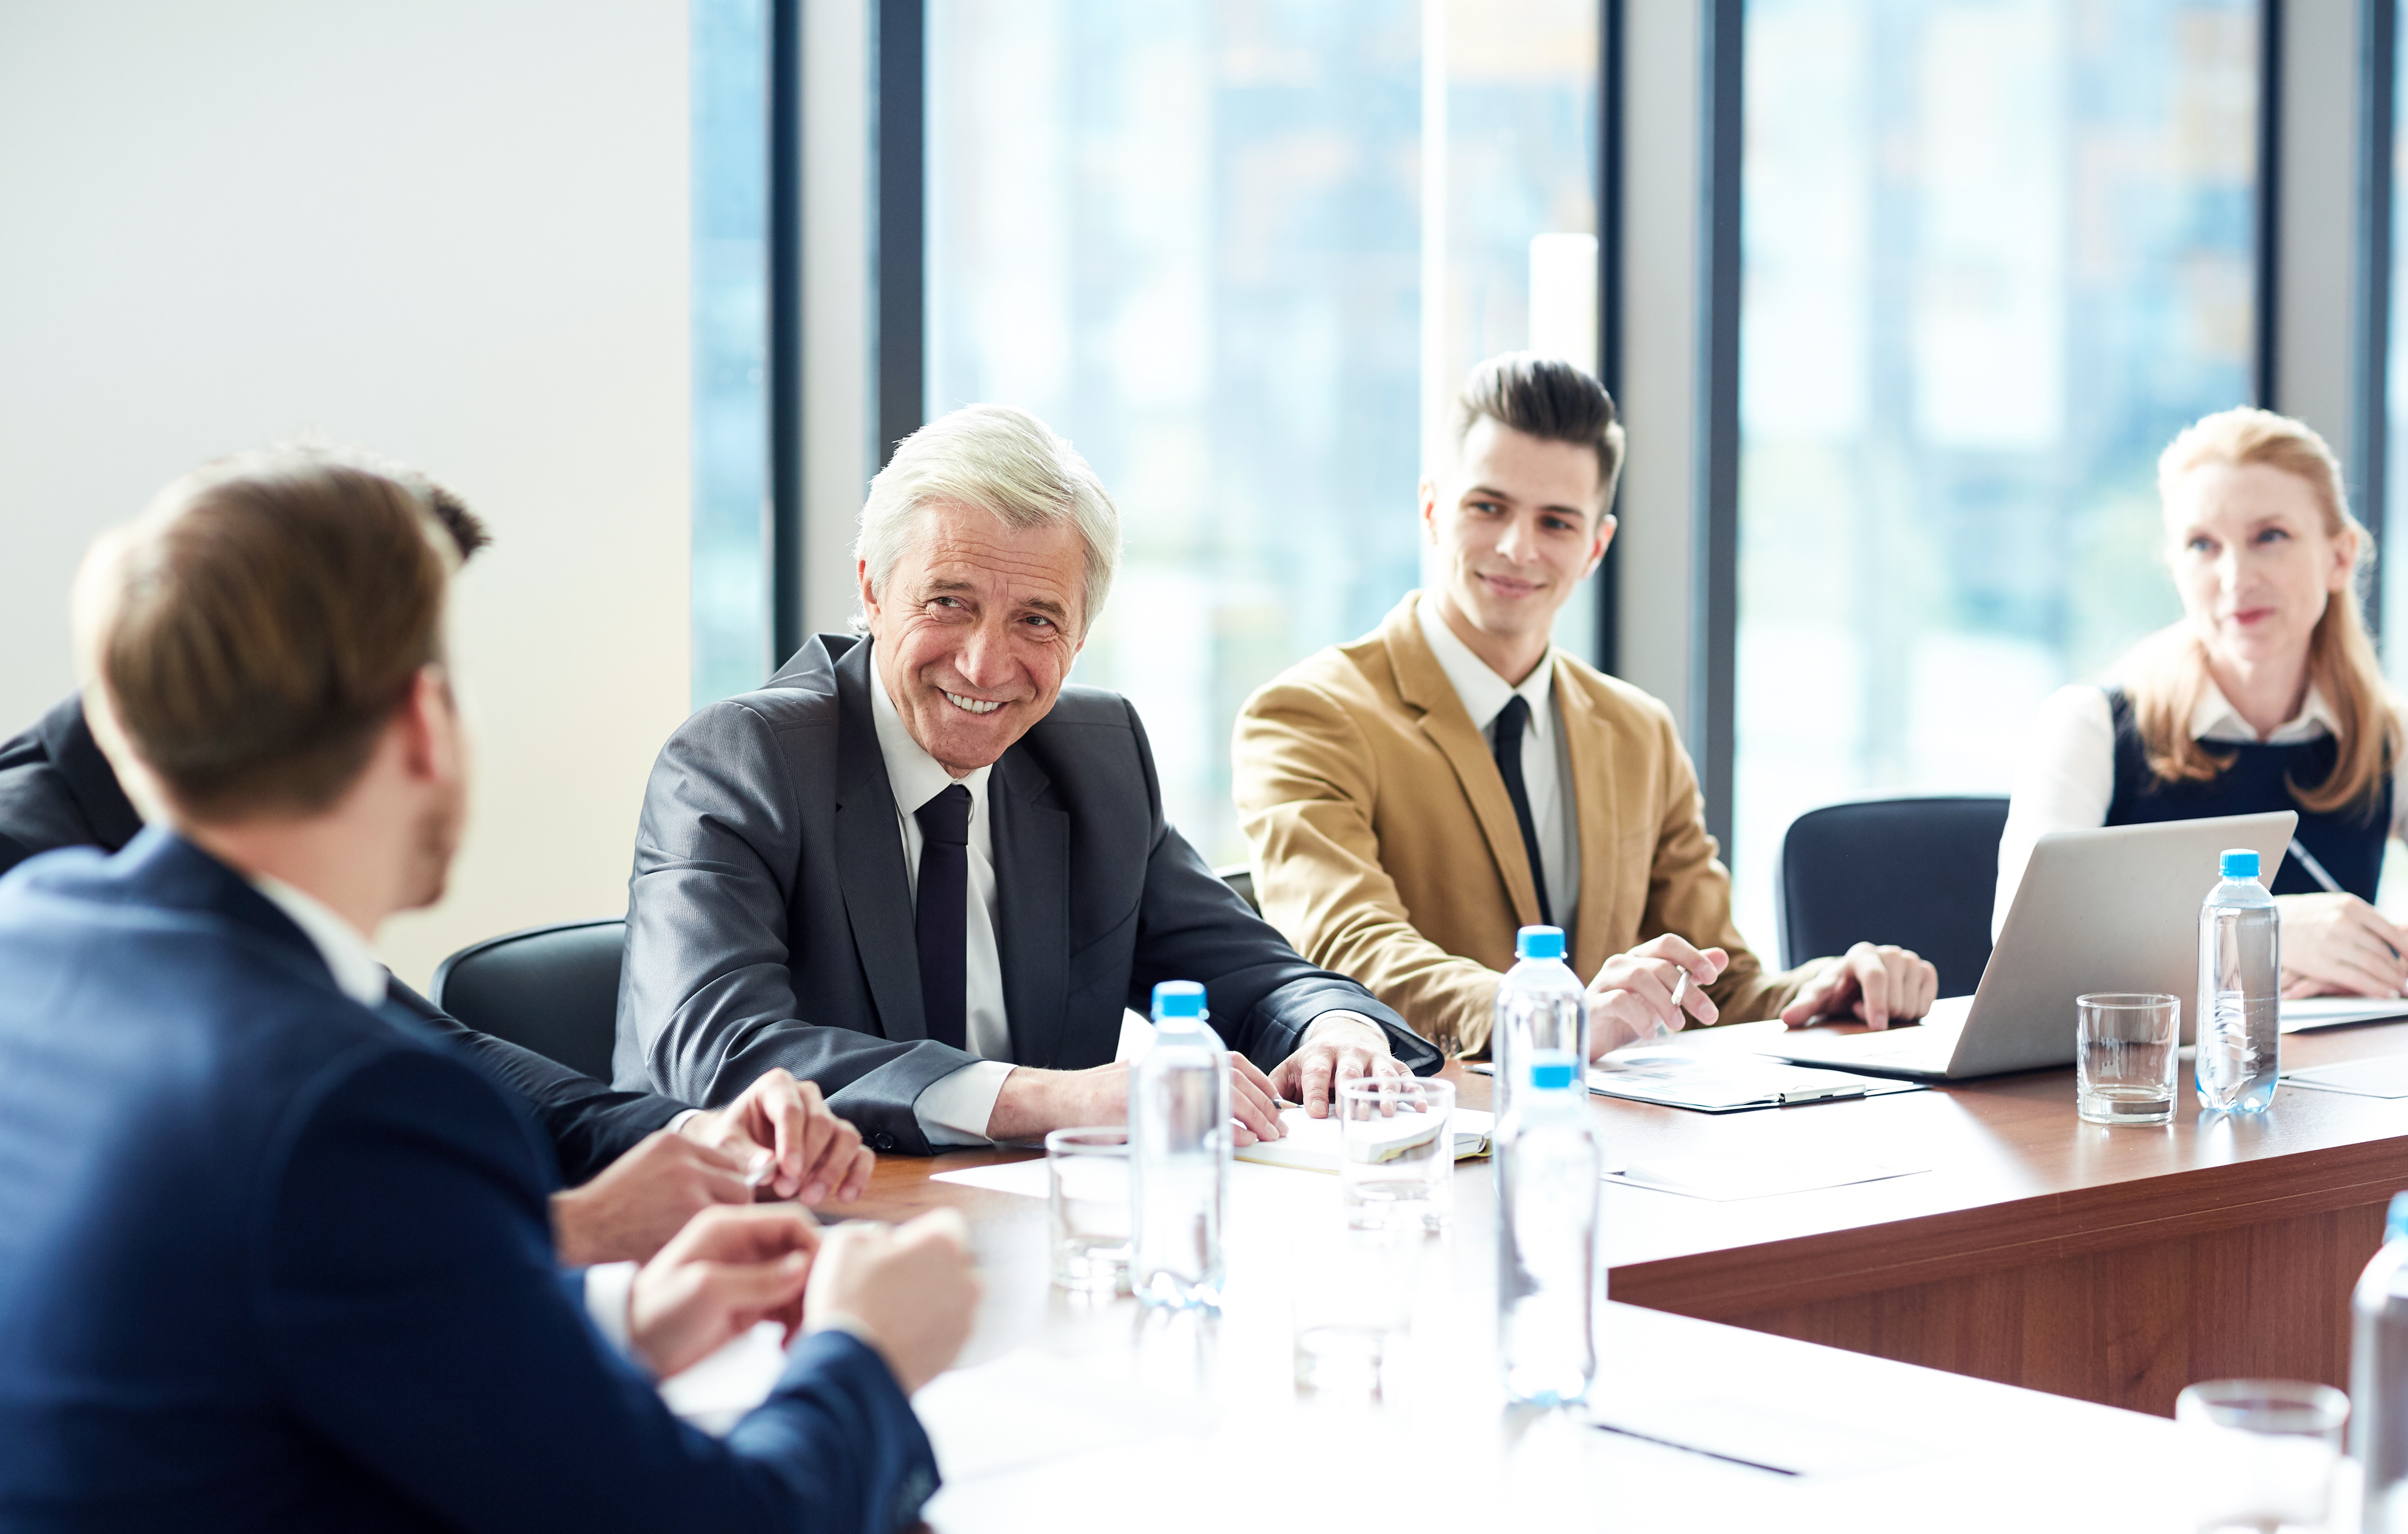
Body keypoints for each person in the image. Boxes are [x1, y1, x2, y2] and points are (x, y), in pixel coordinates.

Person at [0, 446, 980, 1534]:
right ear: (426, 721)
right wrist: (863, 1353)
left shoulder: (38, 937)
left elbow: (264, 1321)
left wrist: (621, 1313)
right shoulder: (350, 1106)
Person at [0, 457, 872, 1260]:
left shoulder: (190, 844)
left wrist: (684, 1135)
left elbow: (436, 1044)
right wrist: (571, 1231)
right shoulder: (31, 878)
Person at [616, 403, 1435, 1145]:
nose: (984, 664)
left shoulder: (1097, 756)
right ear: (871, 587)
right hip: (776, 1251)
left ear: (1080, 637)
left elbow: (1256, 976)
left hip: (1031, 1248)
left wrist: (1336, 1032)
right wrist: (1062, 1101)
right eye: (949, 604)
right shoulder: (740, 761)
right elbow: (717, 1052)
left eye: (1036, 620)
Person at [1231, 353, 1938, 1059]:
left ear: (1596, 546)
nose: (1517, 548)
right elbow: (1351, 946)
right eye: (1488, 507)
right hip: (1428, 1134)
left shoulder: (1639, 733)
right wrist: (1546, 1016)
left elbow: (1716, 984)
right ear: (1432, 510)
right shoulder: (1307, 716)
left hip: (1621, 1145)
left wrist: (1829, 988)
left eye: (1557, 524)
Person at [1996, 406, 2408, 999]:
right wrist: (2268, 933)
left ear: (2339, 558)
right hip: (2141, 1082)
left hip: (2329, 1080)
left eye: (2270, 537)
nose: (2236, 577)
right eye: (2202, 546)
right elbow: (2025, 950)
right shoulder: (2092, 725)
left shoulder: (2386, 738)